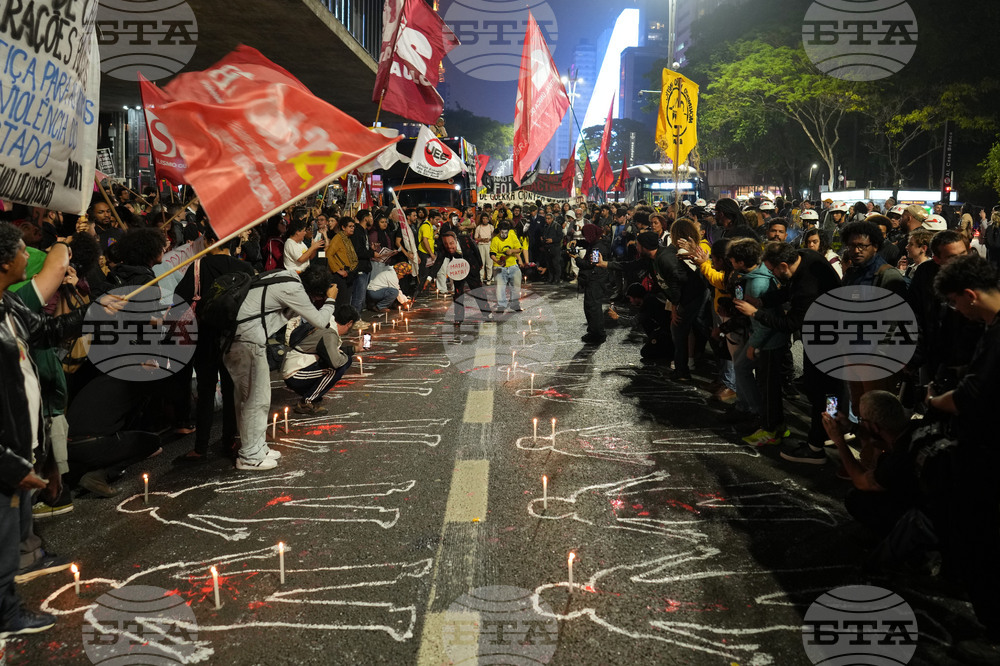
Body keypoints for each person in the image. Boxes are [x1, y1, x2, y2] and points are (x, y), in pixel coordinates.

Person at [0, 222, 105, 638]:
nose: (31, 257)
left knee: (13, 536)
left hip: (18, 446)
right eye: (25, 251)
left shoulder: (8, 307)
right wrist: (7, 464)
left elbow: (43, 332)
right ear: (6, 261)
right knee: (3, 540)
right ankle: (6, 615)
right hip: (5, 457)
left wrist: (92, 313)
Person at [925, 254, 1000, 662]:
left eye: (956, 302)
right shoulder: (991, 327)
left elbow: (974, 396)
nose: (957, 311)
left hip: (988, 453)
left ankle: (993, 628)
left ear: (970, 295)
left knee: (982, 538)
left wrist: (936, 402)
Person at [735, 242, 845, 465]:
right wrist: (764, 301)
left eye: (773, 270)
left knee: (818, 392)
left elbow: (790, 323)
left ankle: (815, 447)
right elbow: (787, 290)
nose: (771, 275)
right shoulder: (805, 256)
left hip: (826, 340)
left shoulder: (807, 287)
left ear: (783, 265)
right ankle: (830, 430)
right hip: (834, 332)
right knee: (832, 390)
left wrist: (756, 313)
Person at [225, 264, 339, 470]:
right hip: (245, 340)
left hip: (246, 338)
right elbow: (321, 321)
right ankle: (250, 455)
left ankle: (258, 447)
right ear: (315, 292)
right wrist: (331, 299)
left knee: (258, 397)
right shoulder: (293, 290)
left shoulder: (289, 276)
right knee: (253, 398)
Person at [174, 236, 255, 463]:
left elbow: (179, 300)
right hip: (234, 338)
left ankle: (201, 448)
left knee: (206, 390)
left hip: (205, 337)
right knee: (232, 390)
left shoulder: (198, 266)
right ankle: (230, 440)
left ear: (210, 240)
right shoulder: (246, 268)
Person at [282, 305, 358, 414]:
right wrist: (346, 357)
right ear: (349, 323)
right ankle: (307, 402)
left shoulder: (325, 322)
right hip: (295, 373)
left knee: (342, 361)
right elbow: (336, 362)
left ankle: (312, 394)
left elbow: (328, 350)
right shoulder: (329, 333)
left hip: (296, 366)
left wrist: (354, 349)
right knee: (337, 368)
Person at [428, 231, 492, 323]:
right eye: (446, 244)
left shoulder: (466, 239)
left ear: (456, 240)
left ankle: (487, 314)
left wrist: (480, 264)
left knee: (478, 292)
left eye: (451, 243)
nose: (449, 246)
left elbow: (476, 251)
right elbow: (438, 262)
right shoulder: (443, 247)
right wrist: (429, 277)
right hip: (458, 270)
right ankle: (458, 317)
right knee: (458, 294)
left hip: (472, 268)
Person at [576, 223, 612, 344]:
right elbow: (588, 244)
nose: (586, 238)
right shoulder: (598, 242)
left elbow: (591, 264)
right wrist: (578, 243)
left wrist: (576, 258)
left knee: (593, 308)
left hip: (595, 279)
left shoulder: (598, 248)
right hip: (596, 278)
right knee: (590, 306)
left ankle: (598, 334)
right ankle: (593, 331)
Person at [325, 216, 358, 313]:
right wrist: (338, 270)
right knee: (341, 302)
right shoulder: (338, 238)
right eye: (350, 226)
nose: (352, 228)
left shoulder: (347, 238)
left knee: (346, 300)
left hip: (348, 273)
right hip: (340, 275)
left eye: (353, 226)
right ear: (343, 227)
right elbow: (329, 254)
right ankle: (340, 323)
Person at [489, 222, 524, 313]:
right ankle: (501, 305)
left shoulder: (512, 236)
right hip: (499, 267)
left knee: (516, 286)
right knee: (500, 288)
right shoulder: (495, 239)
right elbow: (492, 254)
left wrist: (511, 250)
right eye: (502, 233)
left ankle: (515, 304)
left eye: (506, 232)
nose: (504, 235)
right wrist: (497, 261)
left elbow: (519, 249)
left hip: (512, 265)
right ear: (499, 231)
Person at [474, 213, 494, 284]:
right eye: (483, 218)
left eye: (486, 218)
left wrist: (489, 239)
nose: (485, 220)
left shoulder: (491, 227)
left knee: (489, 263)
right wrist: (481, 239)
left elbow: (493, 236)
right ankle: (481, 278)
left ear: (488, 219)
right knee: (481, 263)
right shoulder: (478, 227)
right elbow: (475, 237)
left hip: (489, 245)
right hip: (481, 245)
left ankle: (489, 278)